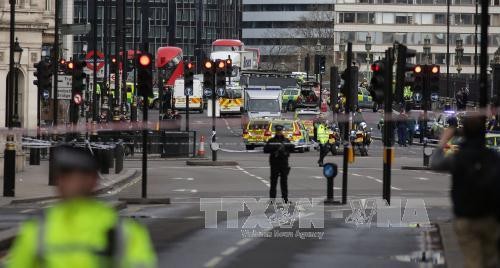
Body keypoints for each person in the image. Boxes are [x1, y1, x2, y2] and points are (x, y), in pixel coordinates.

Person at [6, 145, 157, 268]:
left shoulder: (122, 231)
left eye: (73, 175)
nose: (65, 182)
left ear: (92, 180)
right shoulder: (37, 228)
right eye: (63, 175)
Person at [431, 114, 500, 268]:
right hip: (490, 217)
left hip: (465, 218)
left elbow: (435, 163)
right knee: (492, 260)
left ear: (464, 134)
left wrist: (443, 140)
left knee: (472, 260)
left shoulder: (459, 157)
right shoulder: (493, 157)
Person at [264, 125, 294, 203]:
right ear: (276, 132)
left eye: (280, 131)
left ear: (282, 131)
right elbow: (266, 149)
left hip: (284, 163)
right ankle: (272, 199)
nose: (279, 132)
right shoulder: (272, 140)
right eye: (277, 131)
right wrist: (274, 149)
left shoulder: (286, 140)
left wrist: (287, 149)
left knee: (284, 182)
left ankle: (285, 199)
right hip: (274, 163)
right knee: (273, 182)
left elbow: (292, 149)